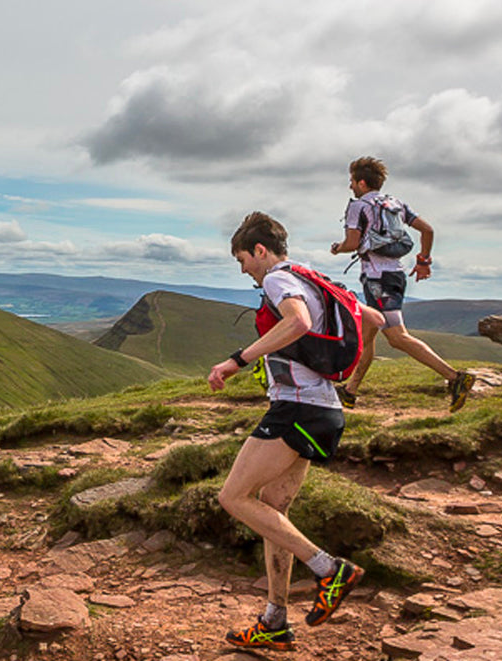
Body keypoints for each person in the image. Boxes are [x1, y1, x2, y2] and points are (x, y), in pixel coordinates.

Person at [208, 212, 366, 652]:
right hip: (323, 407)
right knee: (273, 513)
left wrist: (235, 361)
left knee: (232, 498)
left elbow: (296, 322)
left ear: (259, 250)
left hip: (296, 409)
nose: (243, 270)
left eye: (242, 259)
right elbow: (366, 316)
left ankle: (329, 569)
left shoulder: (278, 279)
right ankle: (274, 620)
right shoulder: (312, 277)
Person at [331, 156, 474, 412]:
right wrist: (423, 261)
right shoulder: (395, 203)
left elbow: (352, 244)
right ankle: (350, 392)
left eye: (352, 181)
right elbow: (427, 230)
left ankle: (455, 378)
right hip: (394, 275)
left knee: (397, 338)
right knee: (367, 334)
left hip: (377, 281)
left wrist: (337, 248)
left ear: (362, 182)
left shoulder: (358, 206)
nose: (350, 186)